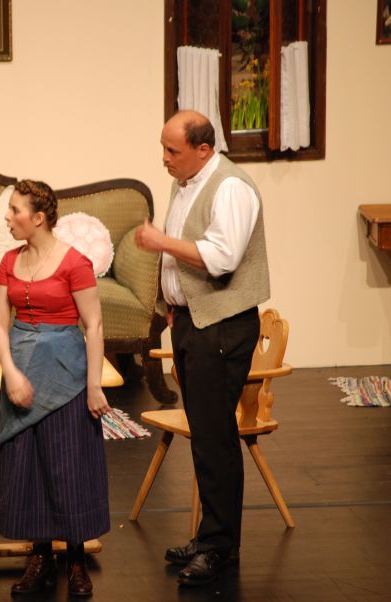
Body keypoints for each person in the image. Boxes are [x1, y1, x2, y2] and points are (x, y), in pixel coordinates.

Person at [135, 110, 270, 587]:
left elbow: (221, 256)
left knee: (215, 438)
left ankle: (220, 547)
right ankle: (210, 535)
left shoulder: (230, 187)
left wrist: (160, 242)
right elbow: (188, 256)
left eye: (173, 150)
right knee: (204, 434)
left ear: (203, 149)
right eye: (163, 147)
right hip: (194, 321)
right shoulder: (185, 182)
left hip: (223, 326)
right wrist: (175, 305)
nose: (164, 158)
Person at [0, 179, 112, 598]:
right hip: (22, 371)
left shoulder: (75, 263)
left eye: (15, 210)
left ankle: (75, 559)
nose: (8, 217)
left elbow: (94, 324)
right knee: (28, 468)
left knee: (67, 466)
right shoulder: (9, 260)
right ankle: (39, 556)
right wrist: (9, 371)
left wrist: (93, 385)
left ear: (38, 218)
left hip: (66, 374)